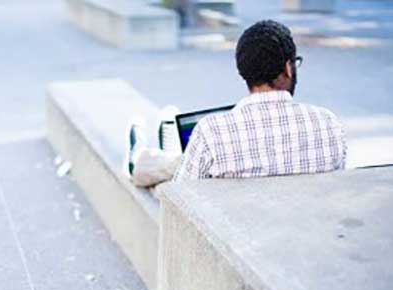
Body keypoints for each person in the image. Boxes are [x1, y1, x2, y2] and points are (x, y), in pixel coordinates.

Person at [125, 20, 347, 187]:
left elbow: (184, 201)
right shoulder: (329, 124)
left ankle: (139, 159)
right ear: (288, 68)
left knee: (171, 172)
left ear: (244, 72)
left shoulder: (212, 131)